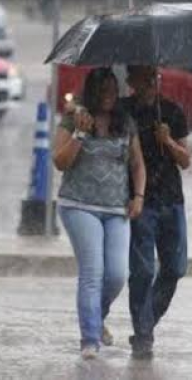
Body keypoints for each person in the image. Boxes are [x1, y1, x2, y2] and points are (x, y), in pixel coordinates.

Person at [52, 67, 146, 360]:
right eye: (102, 90)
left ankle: (97, 315)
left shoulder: (124, 122)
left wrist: (139, 196)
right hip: (79, 205)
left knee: (117, 275)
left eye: (112, 90)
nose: (108, 95)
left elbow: (137, 165)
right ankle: (89, 339)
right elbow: (59, 162)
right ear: (91, 92)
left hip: (116, 208)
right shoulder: (74, 118)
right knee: (92, 272)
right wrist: (80, 132)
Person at [123, 65, 192, 360]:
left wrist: (168, 141)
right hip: (142, 201)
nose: (152, 83)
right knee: (142, 271)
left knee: (175, 267)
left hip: (172, 200)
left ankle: (145, 324)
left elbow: (186, 160)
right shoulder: (123, 112)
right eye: (145, 77)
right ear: (132, 82)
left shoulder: (172, 112)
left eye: (155, 77)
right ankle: (143, 334)